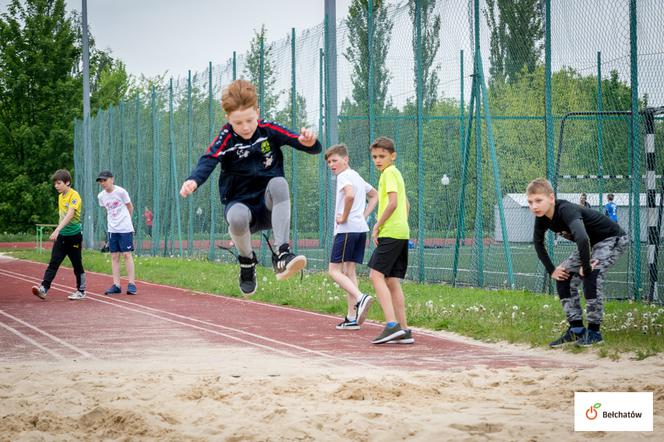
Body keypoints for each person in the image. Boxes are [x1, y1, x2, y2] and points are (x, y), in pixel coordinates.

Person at [180, 79, 321, 296]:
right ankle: (247, 262)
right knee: (235, 218)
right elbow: (208, 159)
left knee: (279, 183)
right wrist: (194, 180)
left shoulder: (268, 130)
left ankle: (283, 254)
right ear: (228, 119)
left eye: (249, 120)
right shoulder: (226, 137)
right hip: (242, 206)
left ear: (257, 112)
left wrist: (310, 142)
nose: (245, 127)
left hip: (268, 203)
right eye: (238, 123)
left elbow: (300, 141)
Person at [526, 178, 628, 347]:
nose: (534, 206)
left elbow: (582, 238)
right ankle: (576, 330)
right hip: (591, 244)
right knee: (563, 277)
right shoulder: (542, 217)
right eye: (530, 202)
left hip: (611, 238)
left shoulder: (566, 210)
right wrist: (552, 270)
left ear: (551, 198)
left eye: (538, 201)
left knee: (591, 276)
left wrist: (586, 267)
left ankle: (594, 332)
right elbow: (538, 243)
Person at [325, 144, 378, 330]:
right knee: (349, 272)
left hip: (346, 229)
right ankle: (351, 318)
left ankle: (360, 297)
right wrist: (363, 216)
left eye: (335, 160)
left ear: (345, 159)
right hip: (359, 229)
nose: (332, 164)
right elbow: (375, 195)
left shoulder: (344, 176)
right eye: (329, 162)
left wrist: (346, 216)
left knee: (333, 271)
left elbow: (349, 196)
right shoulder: (357, 176)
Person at [367, 137, 413, 345]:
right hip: (401, 232)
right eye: (375, 157)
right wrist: (401, 223)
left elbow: (394, 202)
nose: (378, 160)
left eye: (382, 156)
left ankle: (392, 325)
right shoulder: (396, 174)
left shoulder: (389, 173)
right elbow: (406, 203)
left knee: (375, 275)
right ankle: (404, 330)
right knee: (391, 280)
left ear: (392, 157)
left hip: (391, 233)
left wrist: (378, 225)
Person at [31, 169, 87, 300]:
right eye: (55, 183)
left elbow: (70, 214)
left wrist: (56, 229)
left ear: (67, 182)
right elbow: (62, 216)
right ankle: (43, 288)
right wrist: (59, 231)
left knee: (77, 264)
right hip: (62, 237)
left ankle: (81, 291)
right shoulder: (60, 196)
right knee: (53, 262)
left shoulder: (75, 196)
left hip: (74, 236)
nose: (56, 186)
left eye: (59, 183)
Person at [97, 170, 137, 295]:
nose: (103, 183)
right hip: (112, 229)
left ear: (112, 179)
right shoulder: (101, 196)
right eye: (101, 181)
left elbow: (130, 207)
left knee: (126, 254)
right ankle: (116, 285)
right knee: (114, 256)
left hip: (125, 228)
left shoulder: (121, 192)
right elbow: (107, 210)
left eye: (105, 180)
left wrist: (127, 222)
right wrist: (112, 223)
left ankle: (131, 284)